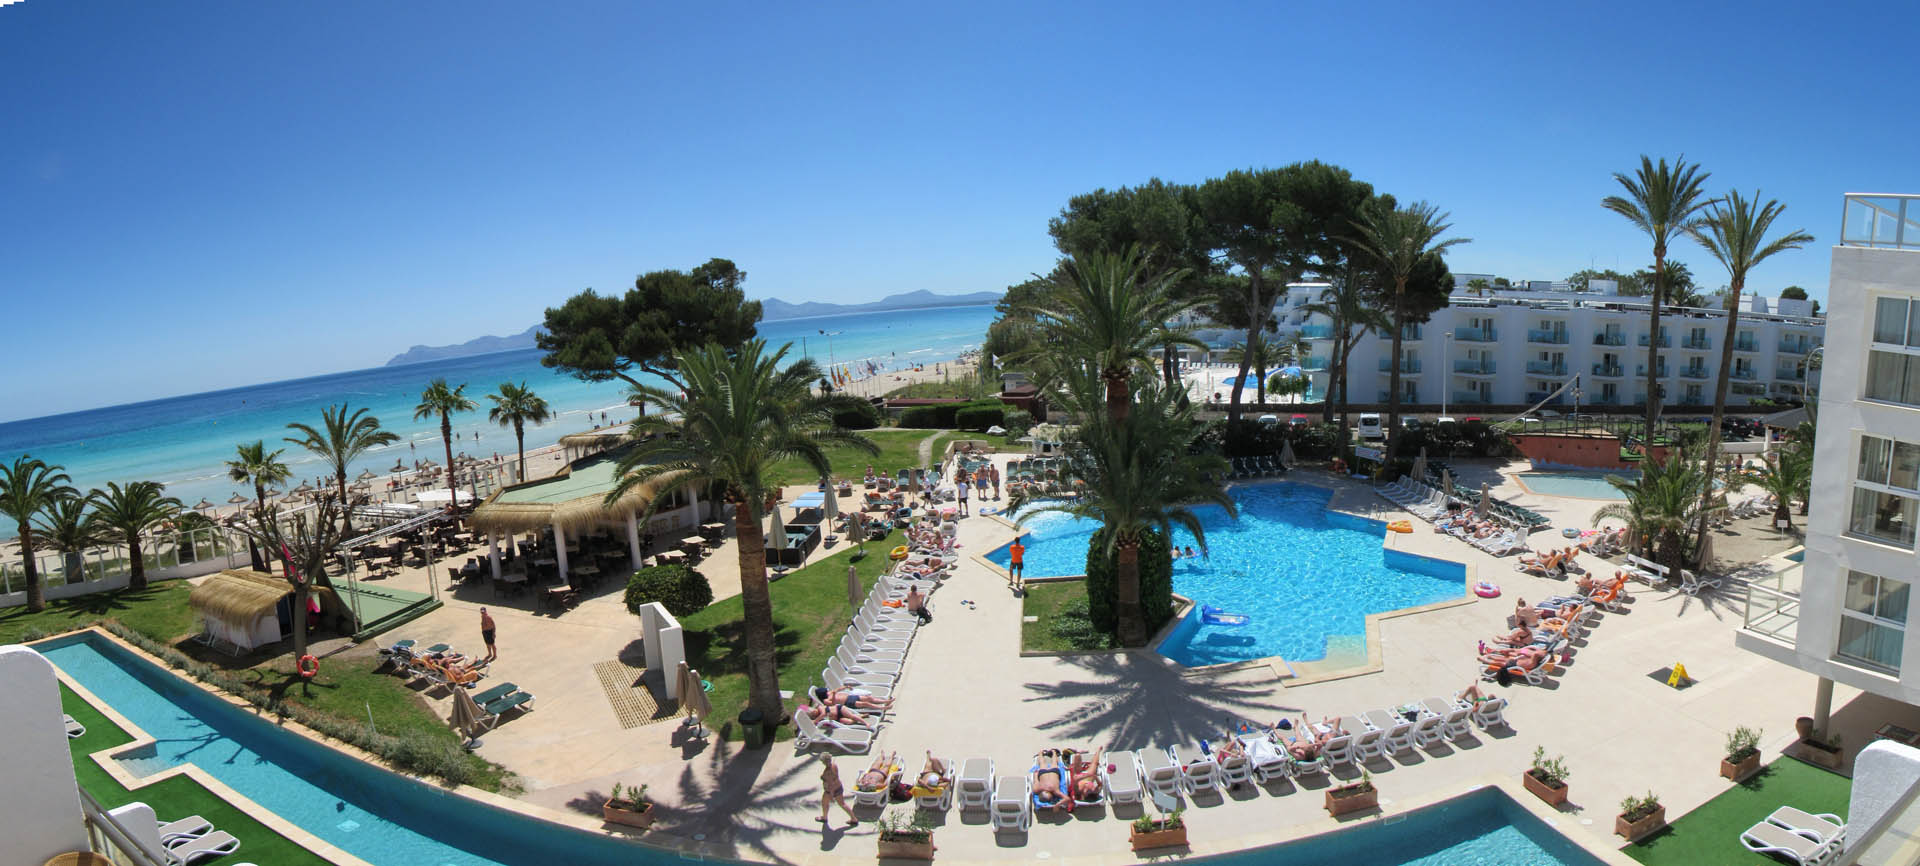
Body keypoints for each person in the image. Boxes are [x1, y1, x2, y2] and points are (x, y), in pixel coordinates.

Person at [818, 756, 859, 827]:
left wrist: (831, 795)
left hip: (830, 790)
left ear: (824, 762)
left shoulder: (828, 772)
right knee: (842, 804)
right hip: (839, 787)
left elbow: (830, 784)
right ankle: (854, 818)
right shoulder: (834, 765)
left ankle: (824, 817)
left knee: (825, 803)